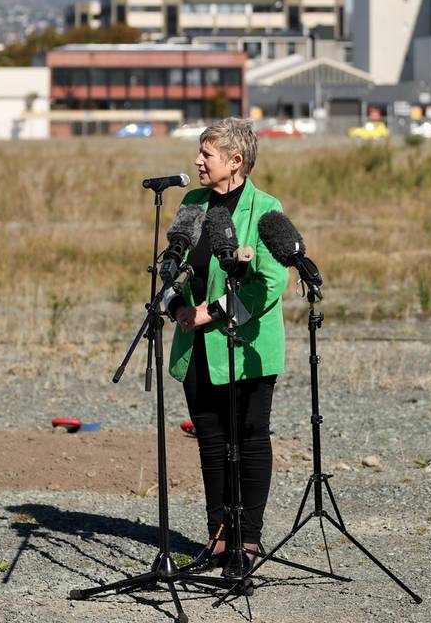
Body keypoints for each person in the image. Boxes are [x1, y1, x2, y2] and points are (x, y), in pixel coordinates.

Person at [167, 117, 289, 577]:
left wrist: (211, 313)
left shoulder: (265, 208)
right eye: (199, 152)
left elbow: (272, 282)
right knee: (212, 443)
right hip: (196, 346)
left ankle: (248, 542)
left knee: (250, 440)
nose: (198, 161)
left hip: (248, 346)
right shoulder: (192, 203)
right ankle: (218, 538)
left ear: (235, 162)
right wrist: (178, 303)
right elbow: (174, 263)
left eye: (207, 155)